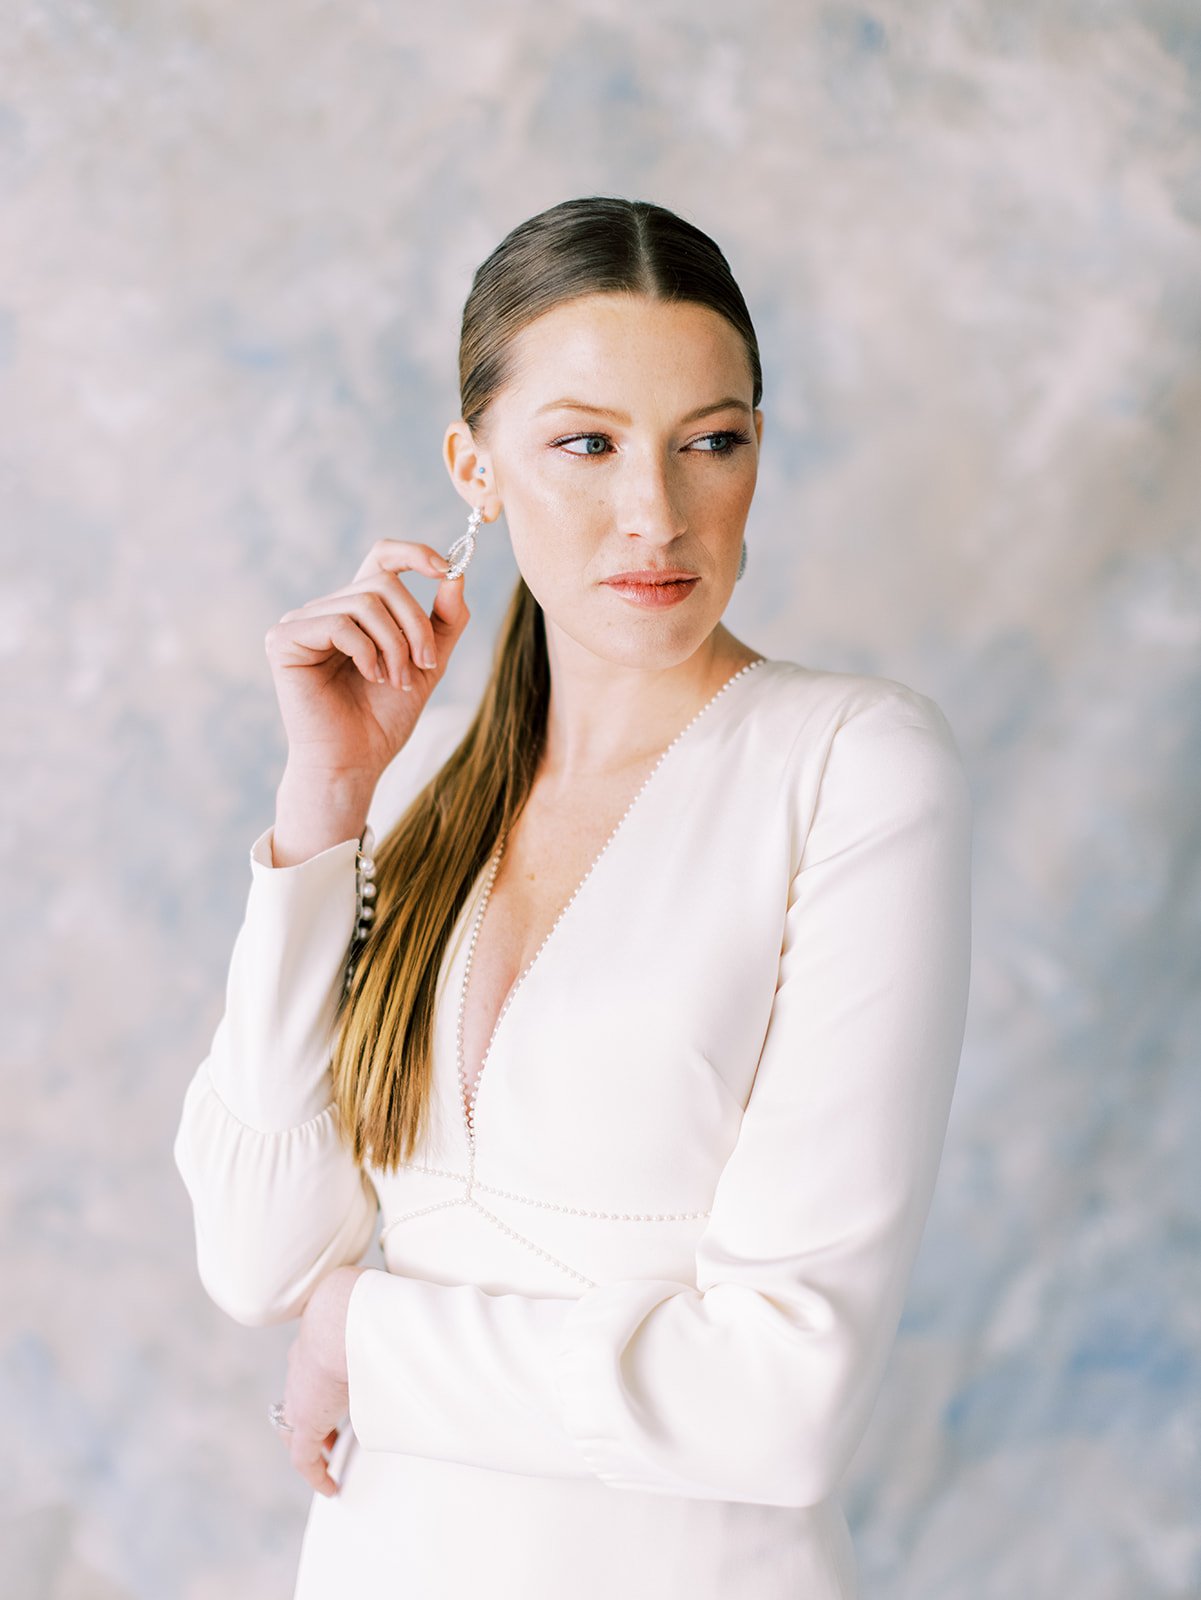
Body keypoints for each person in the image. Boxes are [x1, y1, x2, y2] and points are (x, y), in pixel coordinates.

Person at [174, 195, 972, 1600]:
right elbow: (256, 1257)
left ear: (757, 451)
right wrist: (325, 806)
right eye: (586, 444)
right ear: (473, 468)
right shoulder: (415, 781)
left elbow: (778, 1405)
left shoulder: (849, 767)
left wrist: (360, 1332)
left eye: (708, 442)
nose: (654, 513)